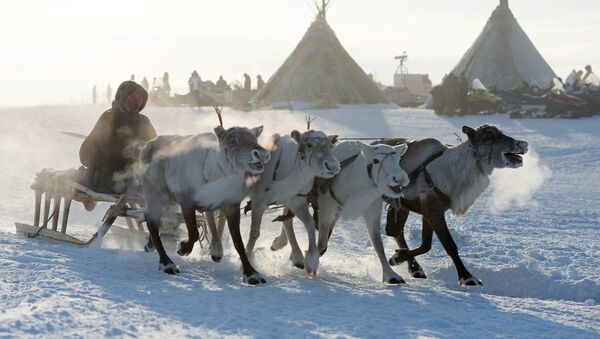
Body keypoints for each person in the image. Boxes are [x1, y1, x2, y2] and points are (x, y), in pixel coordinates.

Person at [79, 80, 156, 194]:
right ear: (123, 98)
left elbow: (154, 148)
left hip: (137, 177)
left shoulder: (144, 122)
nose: (137, 103)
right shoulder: (109, 118)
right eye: (133, 98)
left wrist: (143, 149)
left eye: (140, 99)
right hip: (108, 176)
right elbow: (86, 153)